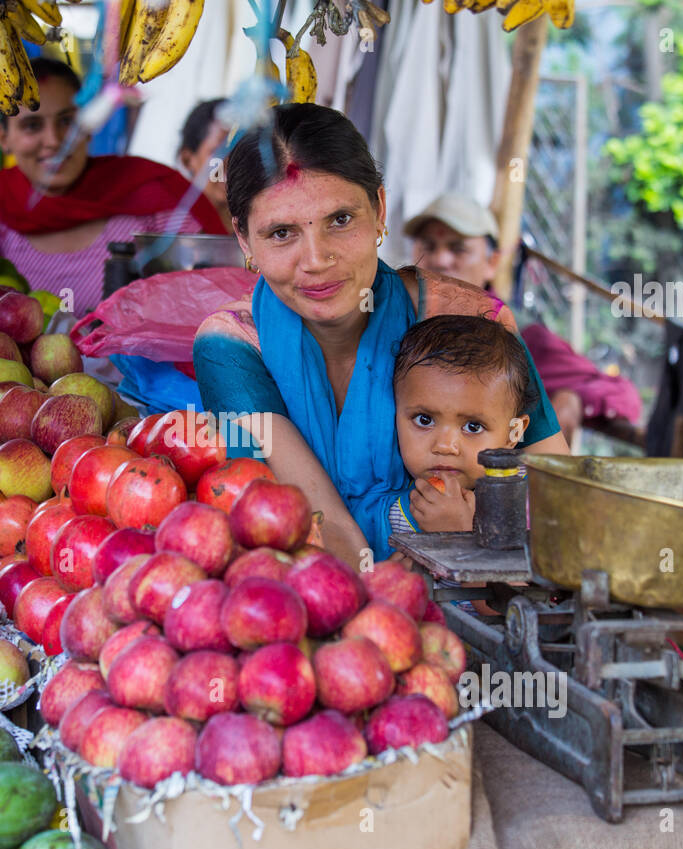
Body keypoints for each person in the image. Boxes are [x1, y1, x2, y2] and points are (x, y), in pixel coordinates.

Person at [192, 104, 568, 566]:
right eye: (282, 233)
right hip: (322, 600)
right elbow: (320, 521)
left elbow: (556, 499)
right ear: (246, 242)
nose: (316, 259)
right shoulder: (231, 345)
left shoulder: (476, 321)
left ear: (379, 209)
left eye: (341, 220)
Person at [0, 59, 228, 318]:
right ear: (3, 137)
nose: (54, 141)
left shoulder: (149, 190)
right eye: (32, 126)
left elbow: (215, 293)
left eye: (67, 121)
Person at [404, 193, 642, 445]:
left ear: (492, 262)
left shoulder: (518, 334)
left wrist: (572, 399)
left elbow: (623, 395)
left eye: (458, 248)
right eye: (428, 247)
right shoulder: (392, 320)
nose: (440, 260)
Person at [388, 315, 539, 534]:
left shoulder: (530, 498)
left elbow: (539, 566)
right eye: (424, 420)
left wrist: (461, 533)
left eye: (473, 426)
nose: (445, 446)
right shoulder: (403, 514)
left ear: (513, 433)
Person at [177, 99, 232, 231]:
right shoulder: (169, 228)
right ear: (188, 160)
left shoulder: (255, 228)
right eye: (219, 152)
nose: (231, 163)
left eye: (240, 151)